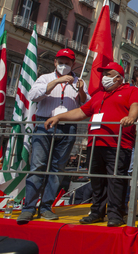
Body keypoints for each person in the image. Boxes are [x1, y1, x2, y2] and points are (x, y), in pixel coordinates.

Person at [44, 62, 138, 227]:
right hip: (95, 143)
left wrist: (131, 117)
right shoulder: (98, 95)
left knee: (116, 180)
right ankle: (97, 212)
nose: (104, 77)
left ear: (118, 77)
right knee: (96, 180)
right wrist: (59, 117)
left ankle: (115, 214)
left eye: (108, 74)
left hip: (118, 144)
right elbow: (81, 112)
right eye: (103, 73)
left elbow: (136, 105)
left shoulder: (131, 90)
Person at [18, 49, 89, 222]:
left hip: (68, 127)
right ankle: (28, 207)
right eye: (61, 61)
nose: (64, 65)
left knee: (58, 169)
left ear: (73, 64)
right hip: (45, 124)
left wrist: (80, 91)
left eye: (68, 62)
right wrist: (57, 81)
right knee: (37, 166)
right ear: (55, 62)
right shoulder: (45, 78)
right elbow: (33, 96)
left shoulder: (79, 81)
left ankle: (46, 207)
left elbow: (86, 105)